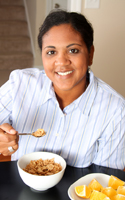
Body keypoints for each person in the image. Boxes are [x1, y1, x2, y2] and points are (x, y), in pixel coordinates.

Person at [0, 10, 125, 170]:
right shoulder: (20, 84)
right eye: (51, 52)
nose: (61, 62)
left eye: (73, 50)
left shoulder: (115, 110)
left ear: (90, 54)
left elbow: (104, 181)